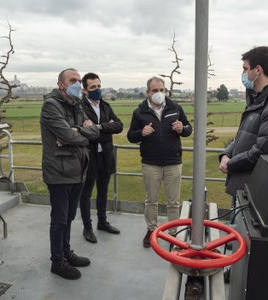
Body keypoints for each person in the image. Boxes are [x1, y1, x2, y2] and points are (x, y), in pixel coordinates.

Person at [218, 45, 268, 221]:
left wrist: (231, 164)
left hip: (256, 192)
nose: (243, 74)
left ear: (258, 70)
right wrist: (226, 154)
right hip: (243, 188)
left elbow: (266, 150)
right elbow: (243, 136)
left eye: (245, 69)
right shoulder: (258, 101)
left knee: (245, 241)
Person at [40, 68, 99, 280]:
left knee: (69, 217)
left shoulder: (77, 105)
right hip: (59, 172)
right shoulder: (51, 106)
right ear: (61, 84)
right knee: (59, 219)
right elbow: (68, 135)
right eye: (72, 80)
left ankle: (66, 253)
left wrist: (77, 132)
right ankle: (57, 262)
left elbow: (94, 132)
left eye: (78, 80)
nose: (77, 83)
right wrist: (76, 133)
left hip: (77, 170)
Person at [127, 76, 192, 248]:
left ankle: (174, 232)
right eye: (155, 90)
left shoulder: (175, 108)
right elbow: (130, 136)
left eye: (161, 90)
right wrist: (142, 132)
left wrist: (182, 129)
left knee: (173, 201)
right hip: (150, 163)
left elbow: (188, 129)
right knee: (151, 200)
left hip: (173, 162)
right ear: (148, 92)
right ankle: (151, 230)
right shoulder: (139, 112)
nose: (158, 93)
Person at [79, 72, 123, 243]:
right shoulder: (80, 107)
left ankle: (102, 222)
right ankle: (87, 227)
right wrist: (105, 129)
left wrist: (97, 127)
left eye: (98, 86)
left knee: (103, 191)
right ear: (85, 90)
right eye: (93, 87)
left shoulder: (105, 106)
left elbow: (118, 125)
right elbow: (83, 132)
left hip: (105, 155)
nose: (97, 89)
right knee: (86, 193)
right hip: (88, 157)